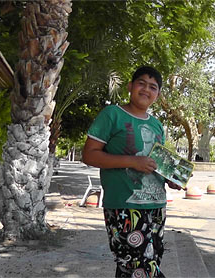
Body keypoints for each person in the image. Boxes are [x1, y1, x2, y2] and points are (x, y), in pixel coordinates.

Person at [82, 66, 181, 278]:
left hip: (156, 206)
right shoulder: (112, 114)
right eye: (141, 83)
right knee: (142, 270)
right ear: (130, 86)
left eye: (153, 87)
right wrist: (132, 161)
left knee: (135, 267)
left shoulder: (156, 125)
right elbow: (89, 155)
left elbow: (155, 164)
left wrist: (170, 178)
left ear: (158, 94)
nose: (146, 90)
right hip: (125, 207)